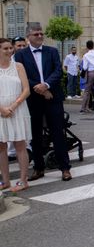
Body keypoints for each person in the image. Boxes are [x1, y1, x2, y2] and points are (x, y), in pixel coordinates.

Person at [14, 22, 72, 182]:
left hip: (53, 97)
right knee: (35, 134)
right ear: (28, 37)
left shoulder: (52, 51)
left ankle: (65, 168)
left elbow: (58, 71)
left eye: (41, 33)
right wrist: (38, 88)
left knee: (58, 133)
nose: (40, 36)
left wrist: (46, 85)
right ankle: (38, 168)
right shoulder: (20, 55)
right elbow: (21, 76)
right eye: (36, 34)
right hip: (33, 99)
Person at [0, 38, 31, 192]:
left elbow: (26, 89)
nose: (9, 51)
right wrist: (2, 109)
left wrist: (12, 106)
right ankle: (5, 181)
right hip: (0, 111)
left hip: (18, 109)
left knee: (20, 144)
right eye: (5, 48)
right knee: (1, 146)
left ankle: (23, 180)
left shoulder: (18, 66)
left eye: (10, 48)